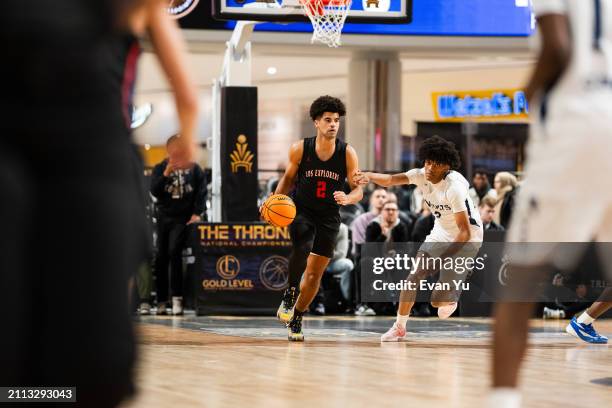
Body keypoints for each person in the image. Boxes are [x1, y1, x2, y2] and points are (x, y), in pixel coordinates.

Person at [490, 2, 612, 407]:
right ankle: (586, 320)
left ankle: (502, 399)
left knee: (521, 281)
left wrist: (528, 92)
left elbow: (557, 45)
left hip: (574, 127)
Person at [354, 136, 483, 342]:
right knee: (414, 275)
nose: (430, 168)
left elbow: (464, 232)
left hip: (468, 236)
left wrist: (441, 260)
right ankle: (399, 327)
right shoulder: (421, 175)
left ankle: (452, 293)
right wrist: (368, 175)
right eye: (427, 162)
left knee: (437, 304)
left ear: (446, 166)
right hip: (441, 230)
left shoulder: (454, 188)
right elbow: (389, 180)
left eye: (436, 163)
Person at [271, 95, 363, 341]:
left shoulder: (347, 153)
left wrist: (349, 197)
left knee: (314, 274)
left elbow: (358, 189)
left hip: (329, 216)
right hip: (302, 210)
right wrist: (273, 202)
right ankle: (290, 295)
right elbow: (288, 180)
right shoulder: (300, 148)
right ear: (316, 122)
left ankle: (298, 317)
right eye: (328, 120)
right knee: (302, 246)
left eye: (336, 120)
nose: (333, 124)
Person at [150, 135, 206, 315]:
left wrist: (197, 213)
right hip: (163, 216)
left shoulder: (194, 168)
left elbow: (201, 191)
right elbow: (154, 191)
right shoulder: (160, 167)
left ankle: (177, 299)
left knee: (175, 252)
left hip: (183, 219)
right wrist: (166, 173)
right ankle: (160, 300)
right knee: (161, 256)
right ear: (168, 149)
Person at [350, 188, 387, 316]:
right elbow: (362, 248)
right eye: (378, 196)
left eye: (384, 196)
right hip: (366, 256)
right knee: (366, 262)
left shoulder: (395, 219)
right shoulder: (361, 220)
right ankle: (361, 304)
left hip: (388, 257)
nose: (381, 199)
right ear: (371, 200)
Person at [310, 223, 354, 315]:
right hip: (313, 262)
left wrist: (322, 253)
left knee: (348, 264)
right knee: (306, 266)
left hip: (331, 262)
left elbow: (342, 253)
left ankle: (349, 302)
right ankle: (316, 303)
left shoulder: (342, 228)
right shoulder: (311, 226)